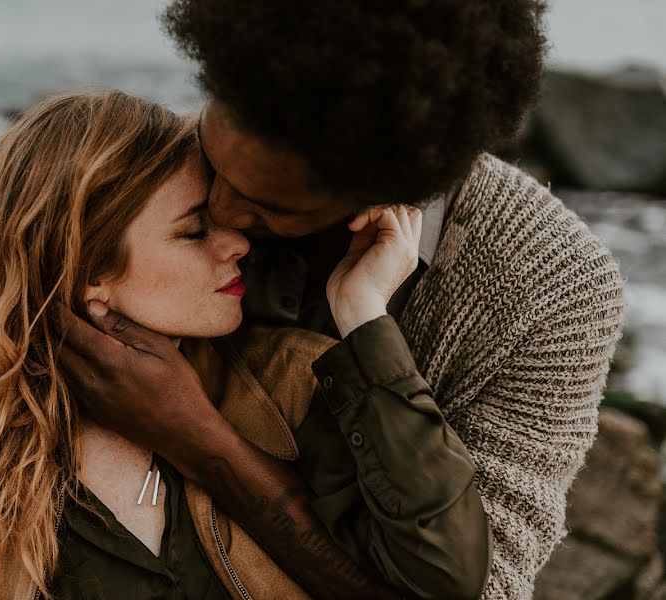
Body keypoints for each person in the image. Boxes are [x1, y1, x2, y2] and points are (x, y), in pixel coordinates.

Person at [58, 1, 626, 599]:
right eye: (210, 150)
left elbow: (476, 588)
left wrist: (194, 436)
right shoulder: (172, 168)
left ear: (383, 197)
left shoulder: (551, 293)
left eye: (271, 208)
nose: (220, 212)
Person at [0, 90, 415, 600]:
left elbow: (425, 576)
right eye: (194, 232)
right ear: (89, 271)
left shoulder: (295, 386)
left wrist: (364, 309)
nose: (238, 242)